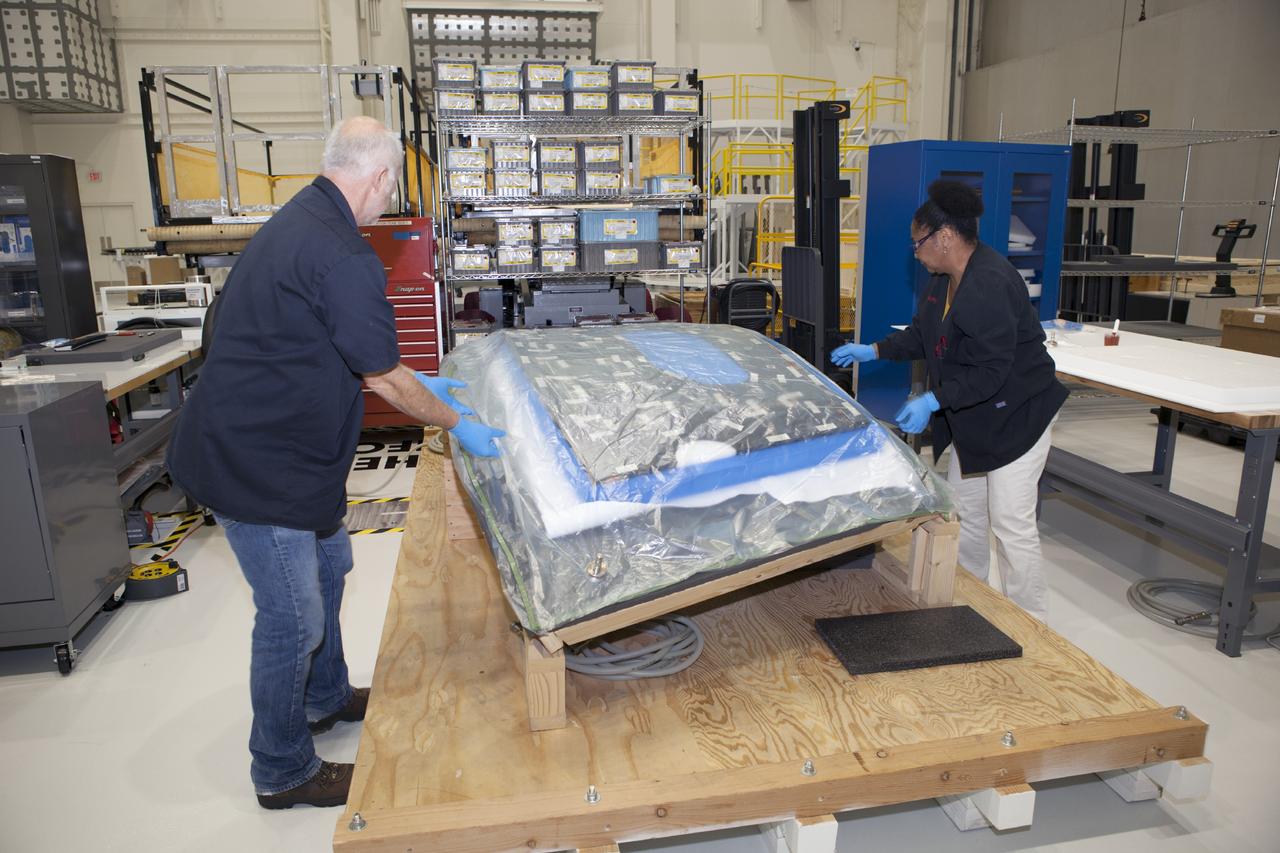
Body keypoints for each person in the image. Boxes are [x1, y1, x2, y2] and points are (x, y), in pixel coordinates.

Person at [166, 116, 504, 810]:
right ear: (378, 177)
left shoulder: (297, 218)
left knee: (332, 564)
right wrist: (454, 419)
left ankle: (325, 694)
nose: (389, 202)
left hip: (278, 442)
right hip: (255, 464)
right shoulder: (340, 252)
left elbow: (313, 338)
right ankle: (283, 768)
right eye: (392, 188)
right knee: (293, 617)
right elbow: (382, 375)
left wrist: (408, 380)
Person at [832, 179, 1066, 621]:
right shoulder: (942, 282)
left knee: (1011, 525)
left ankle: (1032, 622)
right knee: (968, 516)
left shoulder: (991, 283)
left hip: (1019, 417)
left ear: (944, 237)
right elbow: (923, 335)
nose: (915, 252)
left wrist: (933, 401)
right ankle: (973, 603)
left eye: (918, 243)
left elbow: (991, 372)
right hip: (975, 417)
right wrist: (875, 350)